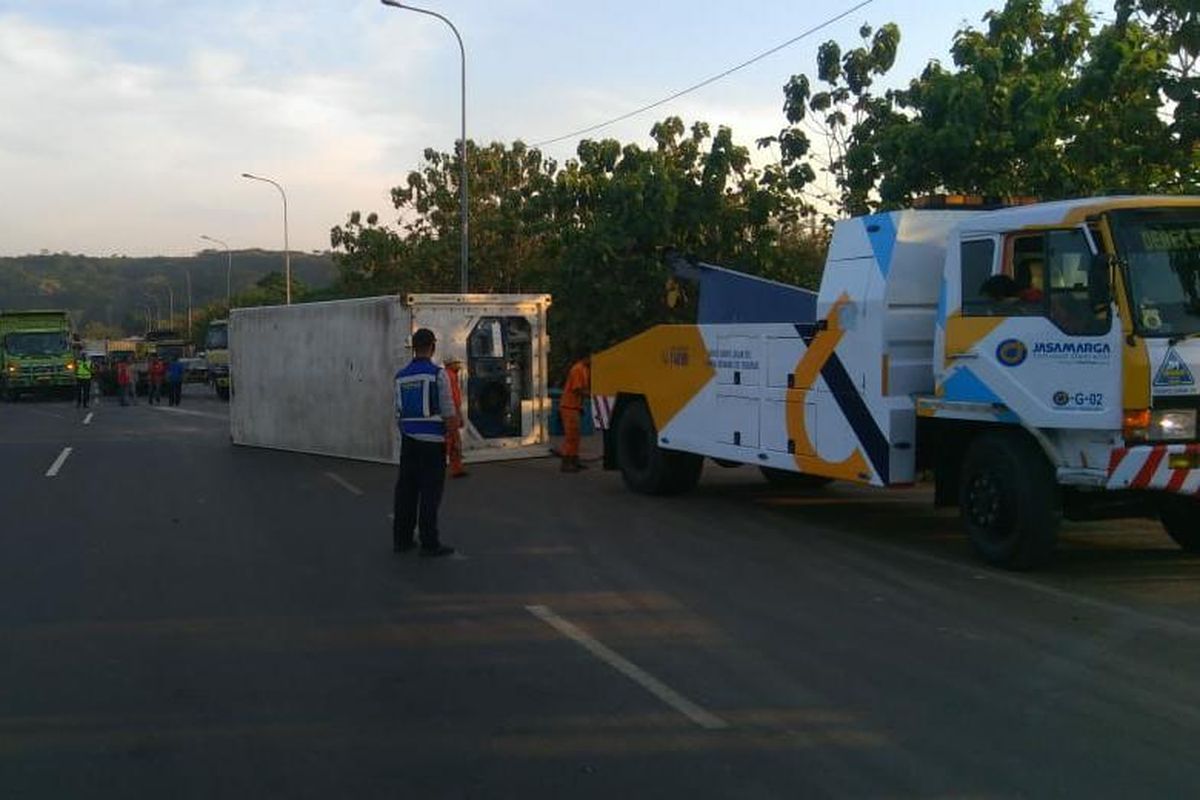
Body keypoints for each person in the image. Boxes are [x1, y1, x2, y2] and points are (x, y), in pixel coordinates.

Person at [393, 328, 457, 557]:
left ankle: (402, 539)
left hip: (409, 442)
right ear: (433, 347)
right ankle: (429, 542)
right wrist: (454, 440)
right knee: (430, 493)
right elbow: (448, 411)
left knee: (406, 492)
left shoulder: (401, 376)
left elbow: (398, 412)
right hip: (432, 444)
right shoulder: (438, 374)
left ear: (413, 348)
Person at [559, 355, 591, 473]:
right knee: (571, 436)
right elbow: (577, 389)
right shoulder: (577, 369)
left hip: (574, 406)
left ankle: (574, 460)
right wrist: (591, 395)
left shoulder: (585, 369)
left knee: (575, 436)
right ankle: (566, 462)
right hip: (569, 406)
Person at [444, 356, 468, 478]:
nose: (459, 365)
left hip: (451, 412)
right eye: (456, 363)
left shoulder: (449, 375)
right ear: (450, 364)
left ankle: (457, 469)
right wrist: (458, 415)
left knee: (453, 442)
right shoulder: (450, 376)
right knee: (453, 441)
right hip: (452, 413)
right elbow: (454, 398)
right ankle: (456, 468)